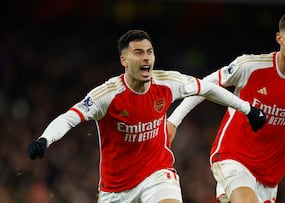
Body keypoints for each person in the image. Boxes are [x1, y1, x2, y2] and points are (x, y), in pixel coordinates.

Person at [27, 30, 266, 203]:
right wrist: (44, 139)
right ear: (124, 60)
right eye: (138, 53)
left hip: (157, 174)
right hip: (115, 189)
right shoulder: (107, 95)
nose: (146, 58)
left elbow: (207, 88)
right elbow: (70, 117)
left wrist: (247, 109)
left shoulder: (167, 82)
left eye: (149, 52)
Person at [167, 11, 285, 203]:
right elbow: (205, 86)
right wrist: (173, 121)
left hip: (269, 177)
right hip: (233, 157)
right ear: (280, 38)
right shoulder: (250, 66)